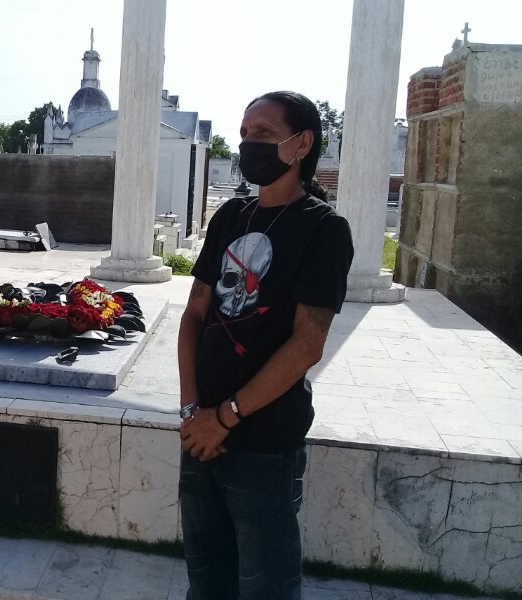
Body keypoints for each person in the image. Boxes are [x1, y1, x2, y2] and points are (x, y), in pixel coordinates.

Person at [177, 91, 353, 600]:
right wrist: (194, 412)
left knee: (265, 587)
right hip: (201, 434)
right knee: (205, 581)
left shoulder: (324, 230)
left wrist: (225, 418)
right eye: (244, 132)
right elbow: (194, 315)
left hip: (263, 445)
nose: (247, 143)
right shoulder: (231, 217)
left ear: (301, 145)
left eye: (264, 133)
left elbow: (306, 345)